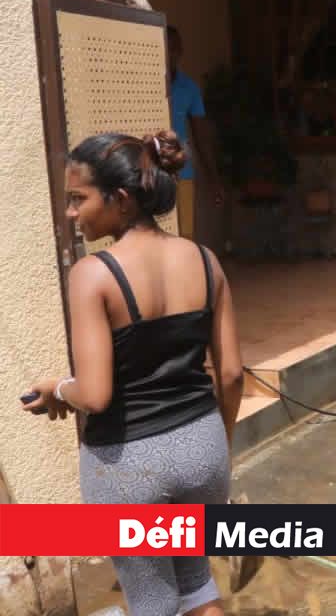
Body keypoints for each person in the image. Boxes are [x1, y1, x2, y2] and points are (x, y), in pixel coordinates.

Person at [23, 130, 245, 616]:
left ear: (120, 200)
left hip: (129, 465)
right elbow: (230, 374)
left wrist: (57, 388)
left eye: (78, 199)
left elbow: (96, 393)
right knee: (198, 586)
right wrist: (219, 448)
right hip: (203, 447)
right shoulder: (205, 261)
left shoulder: (92, 274)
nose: (70, 213)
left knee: (151, 602)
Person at [166, 25, 222, 240]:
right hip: (153, 174)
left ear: (179, 52)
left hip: (183, 173)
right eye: (165, 47)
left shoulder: (189, 88)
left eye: (174, 48)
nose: (169, 53)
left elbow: (202, 136)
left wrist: (213, 179)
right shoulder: (145, 84)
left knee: (185, 235)